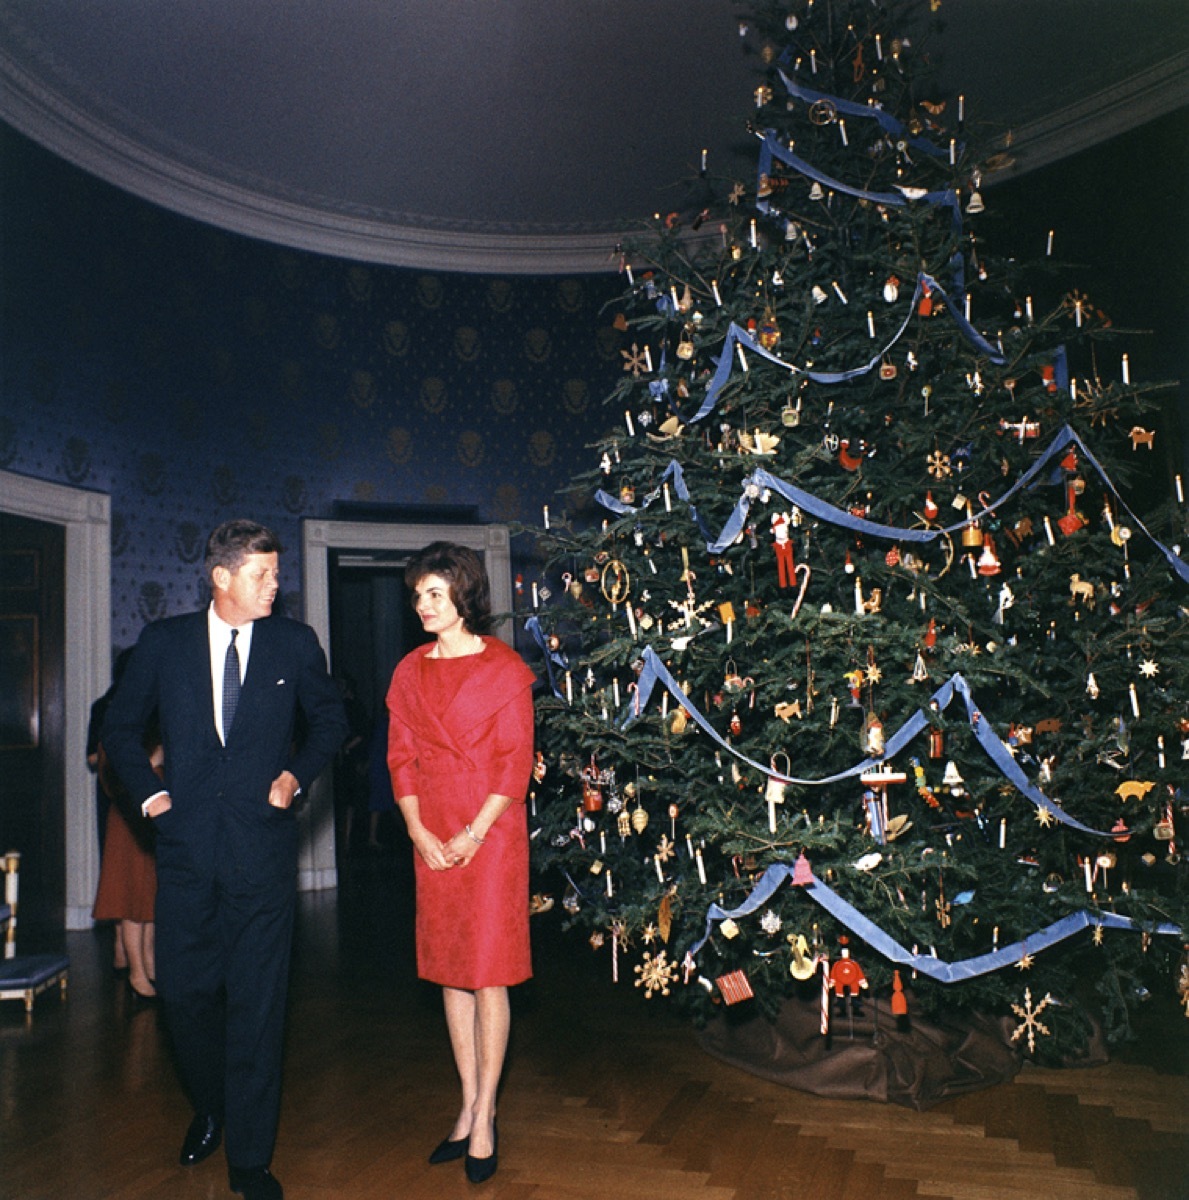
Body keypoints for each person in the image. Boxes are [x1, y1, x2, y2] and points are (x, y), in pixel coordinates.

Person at [102, 519, 348, 1200]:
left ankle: (250, 1159)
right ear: (221, 577)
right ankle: (209, 1104)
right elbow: (118, 727)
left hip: (262, 855)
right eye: (262, 574)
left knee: (259, 1007)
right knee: (184, 997)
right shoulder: (165, 643)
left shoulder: (294, 643)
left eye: (276, 573)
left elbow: (332, 721)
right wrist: (151, 796)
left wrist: (295, 776)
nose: (275, 585)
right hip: (184, 854)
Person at [386, 542, 536, 1185]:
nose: (422, 605)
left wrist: (474, 833)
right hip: (432, 829)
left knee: (488, 973)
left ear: (463, 596)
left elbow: (514, 763)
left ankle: (486, 1116)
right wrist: (417, 829)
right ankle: (469, 1102)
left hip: (491, 830)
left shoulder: (505, 669)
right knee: (451, 972)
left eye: (434, 594)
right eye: (417, 595)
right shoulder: (408, 673)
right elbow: (400, 759)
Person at [91, 726, 161, 1002]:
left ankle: (149, 962)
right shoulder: (119, 729)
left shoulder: (155, 724)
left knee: (148, 897)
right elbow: (111, 777)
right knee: (130, 899)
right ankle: (136, 972)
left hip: (151, 821)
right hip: (129, 817)